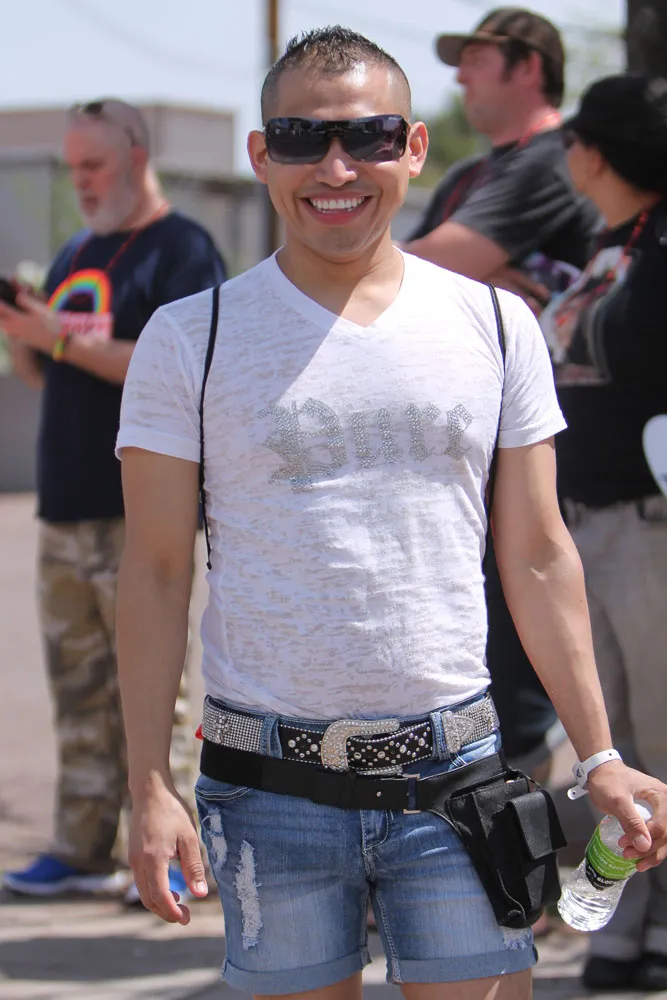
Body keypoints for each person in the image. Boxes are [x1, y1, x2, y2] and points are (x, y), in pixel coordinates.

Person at [116, 28, 667, 1000]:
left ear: (413, 148)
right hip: (265, 788)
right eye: (302, 138)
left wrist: (599, 756)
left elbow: (539, 555)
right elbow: (156, 570)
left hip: (458, 782)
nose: (336, 169)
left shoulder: (494, 323)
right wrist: (148, 785)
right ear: (261, 154)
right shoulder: (189, 338)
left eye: (367, 137)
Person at [0, 98, 226, 902]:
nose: (82, 182)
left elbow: (183, 365)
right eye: (73, 168)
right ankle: (81, 848)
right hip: (64, 505)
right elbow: (50, 372)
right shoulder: (75, 251)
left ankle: (171, 853)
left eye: (93, 165)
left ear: (136, 155)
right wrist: (29, 336)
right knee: (78, 689)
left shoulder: (182, 249)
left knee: (154, 690)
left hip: (140, 510)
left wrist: (57, 337)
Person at [404, 6, 600, 781]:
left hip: (535, 447)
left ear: (527, 67)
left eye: (476, 58)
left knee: (519, 678)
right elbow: (412, 272)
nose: (459, 75)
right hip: (468, 446)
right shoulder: (470, 173)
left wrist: (449, 272)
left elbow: (414, 264)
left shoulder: (548, 161)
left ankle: (529, 833)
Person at [539, 74, 667, 992]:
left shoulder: (661, 243)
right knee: (609, 748)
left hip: (649, 524)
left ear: (599, 151)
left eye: (576, 138)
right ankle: (614, 925)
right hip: (585, 525)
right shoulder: (606, 242)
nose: (567, 152)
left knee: (661, 737)